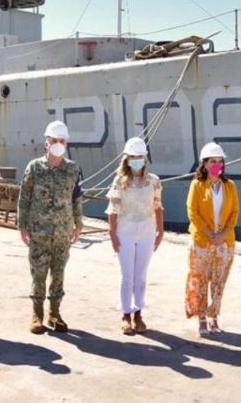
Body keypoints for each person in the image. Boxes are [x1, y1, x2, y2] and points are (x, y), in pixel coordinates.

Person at [17, 120, 84, 334]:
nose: (58, 144)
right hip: (39, 231)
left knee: (59, 273)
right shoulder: (34, 167)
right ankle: (37, 314)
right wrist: (22, 226)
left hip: (63, 231)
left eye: (61, 141)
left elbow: (76, 199)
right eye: (53, 140)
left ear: (67, 143)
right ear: (46, 143)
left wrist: (78, 224)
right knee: (38, 273)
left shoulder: (73, 169)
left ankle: (55, 313)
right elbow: (24, 198)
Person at [105, 137, 164, 335]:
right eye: (133, 157)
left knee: (141, 276)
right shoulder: (120, 181)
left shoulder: (153, 181)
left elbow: (157, 206)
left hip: (146, 232)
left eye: (140, 157)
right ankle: (126, 314)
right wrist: (112, 233)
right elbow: (113, 208)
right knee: (127, 276)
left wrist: (161, 231)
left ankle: (138, 312)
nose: (137, 160)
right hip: (125, 232)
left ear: (145, 158)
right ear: (127, 159)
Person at [185, 142, 239, 337]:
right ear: (205, 164)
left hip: (225, 242)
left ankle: (213, 317)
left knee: (219, 281)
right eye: (213, 161)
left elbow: (235, 212)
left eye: (220, 161)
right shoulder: (197, 185)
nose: (218, 165)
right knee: (200, 280)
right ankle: (201, 318)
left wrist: (223, 234)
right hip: (202, 241)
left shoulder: (229, 186)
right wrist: (209, 233)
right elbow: (193, 212)